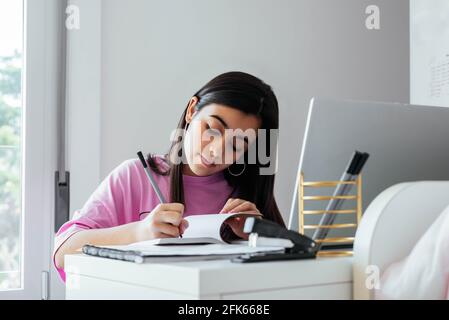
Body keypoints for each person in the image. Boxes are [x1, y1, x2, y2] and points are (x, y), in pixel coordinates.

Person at [53, 71, 285, 281]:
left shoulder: (244, 196)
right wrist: (140, 232)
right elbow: (63, 253)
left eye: (236, 145)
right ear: (192, 110)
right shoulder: (135, 176)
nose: (215, 151)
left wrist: (258, 237)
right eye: (212, 129)